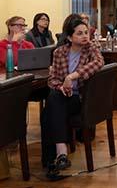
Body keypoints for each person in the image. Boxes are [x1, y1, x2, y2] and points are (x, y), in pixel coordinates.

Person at [42, 18, 104, 176]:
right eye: (79, 33)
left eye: (85, 32)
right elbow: (53, 79)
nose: (85, 36)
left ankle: (54, 157)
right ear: (69, 37)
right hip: (64, 96)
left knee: (49, 110)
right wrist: (61, 86)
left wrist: (72, 77)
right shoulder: (59, 52)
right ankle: (59, 156)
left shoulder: (91, 48)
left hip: (81, 99)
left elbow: (98, 62)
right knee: (54, 100)